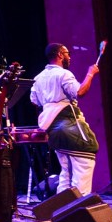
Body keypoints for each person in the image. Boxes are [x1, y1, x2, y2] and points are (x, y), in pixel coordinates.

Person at [31, 42, 100, 194]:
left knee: (66, 171)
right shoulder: (64, 74)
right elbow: (79, 92)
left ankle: (63, 205)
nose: (70, 57)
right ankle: (80, 205)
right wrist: (90, 73)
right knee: (84, 162)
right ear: (60, 55)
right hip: (67, 123)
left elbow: (34, 101)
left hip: (51, 127)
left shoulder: (38, 78)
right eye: (67, 53)